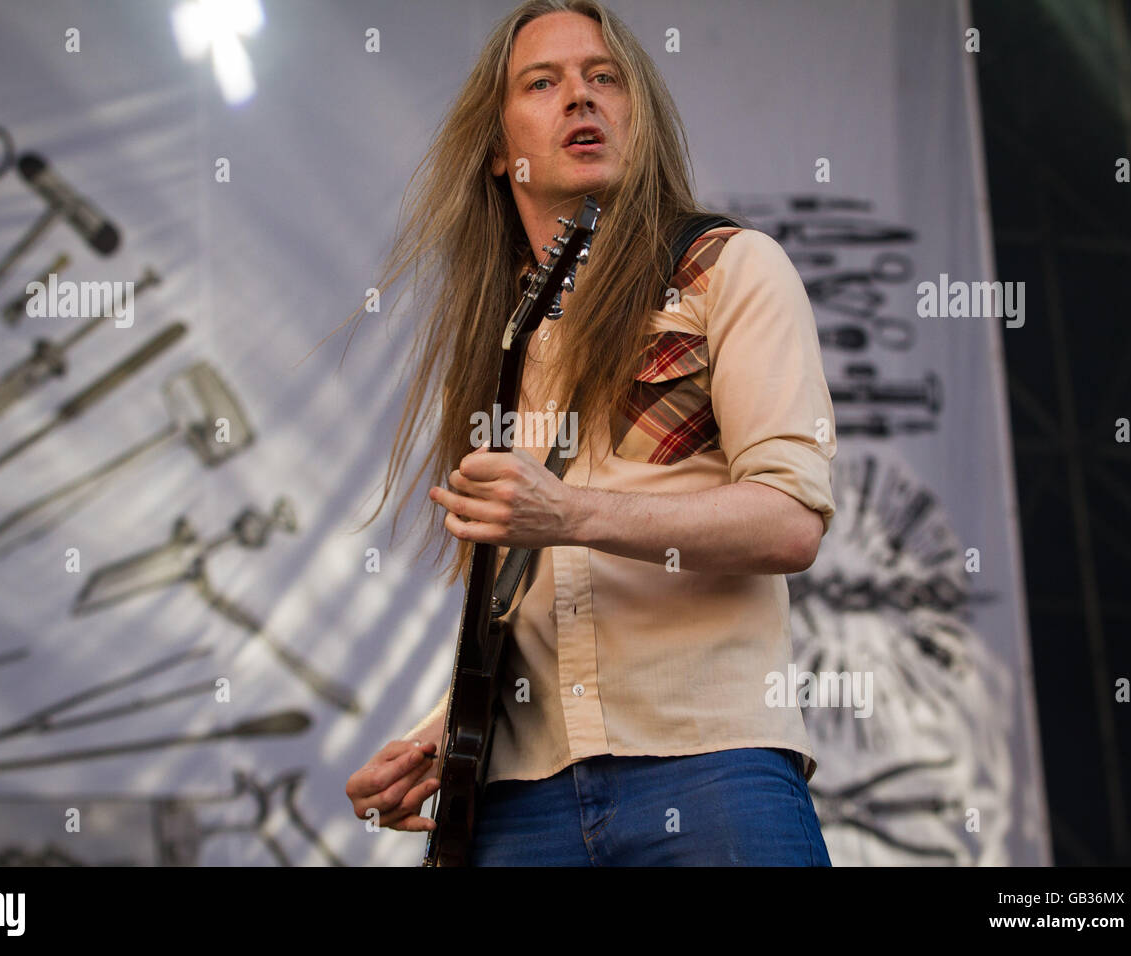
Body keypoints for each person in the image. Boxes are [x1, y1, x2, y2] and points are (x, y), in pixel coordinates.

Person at [344, 0, 837, 866]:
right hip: (517, 796)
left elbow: (791, 522)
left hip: (710, 764)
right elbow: (524, 598)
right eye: (544, 82)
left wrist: (566, 512)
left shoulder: (730, 267)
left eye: (604, 78)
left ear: (637, 119)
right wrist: (439, 735)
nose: (581, 97)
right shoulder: (498, 340)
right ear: (499, 151)